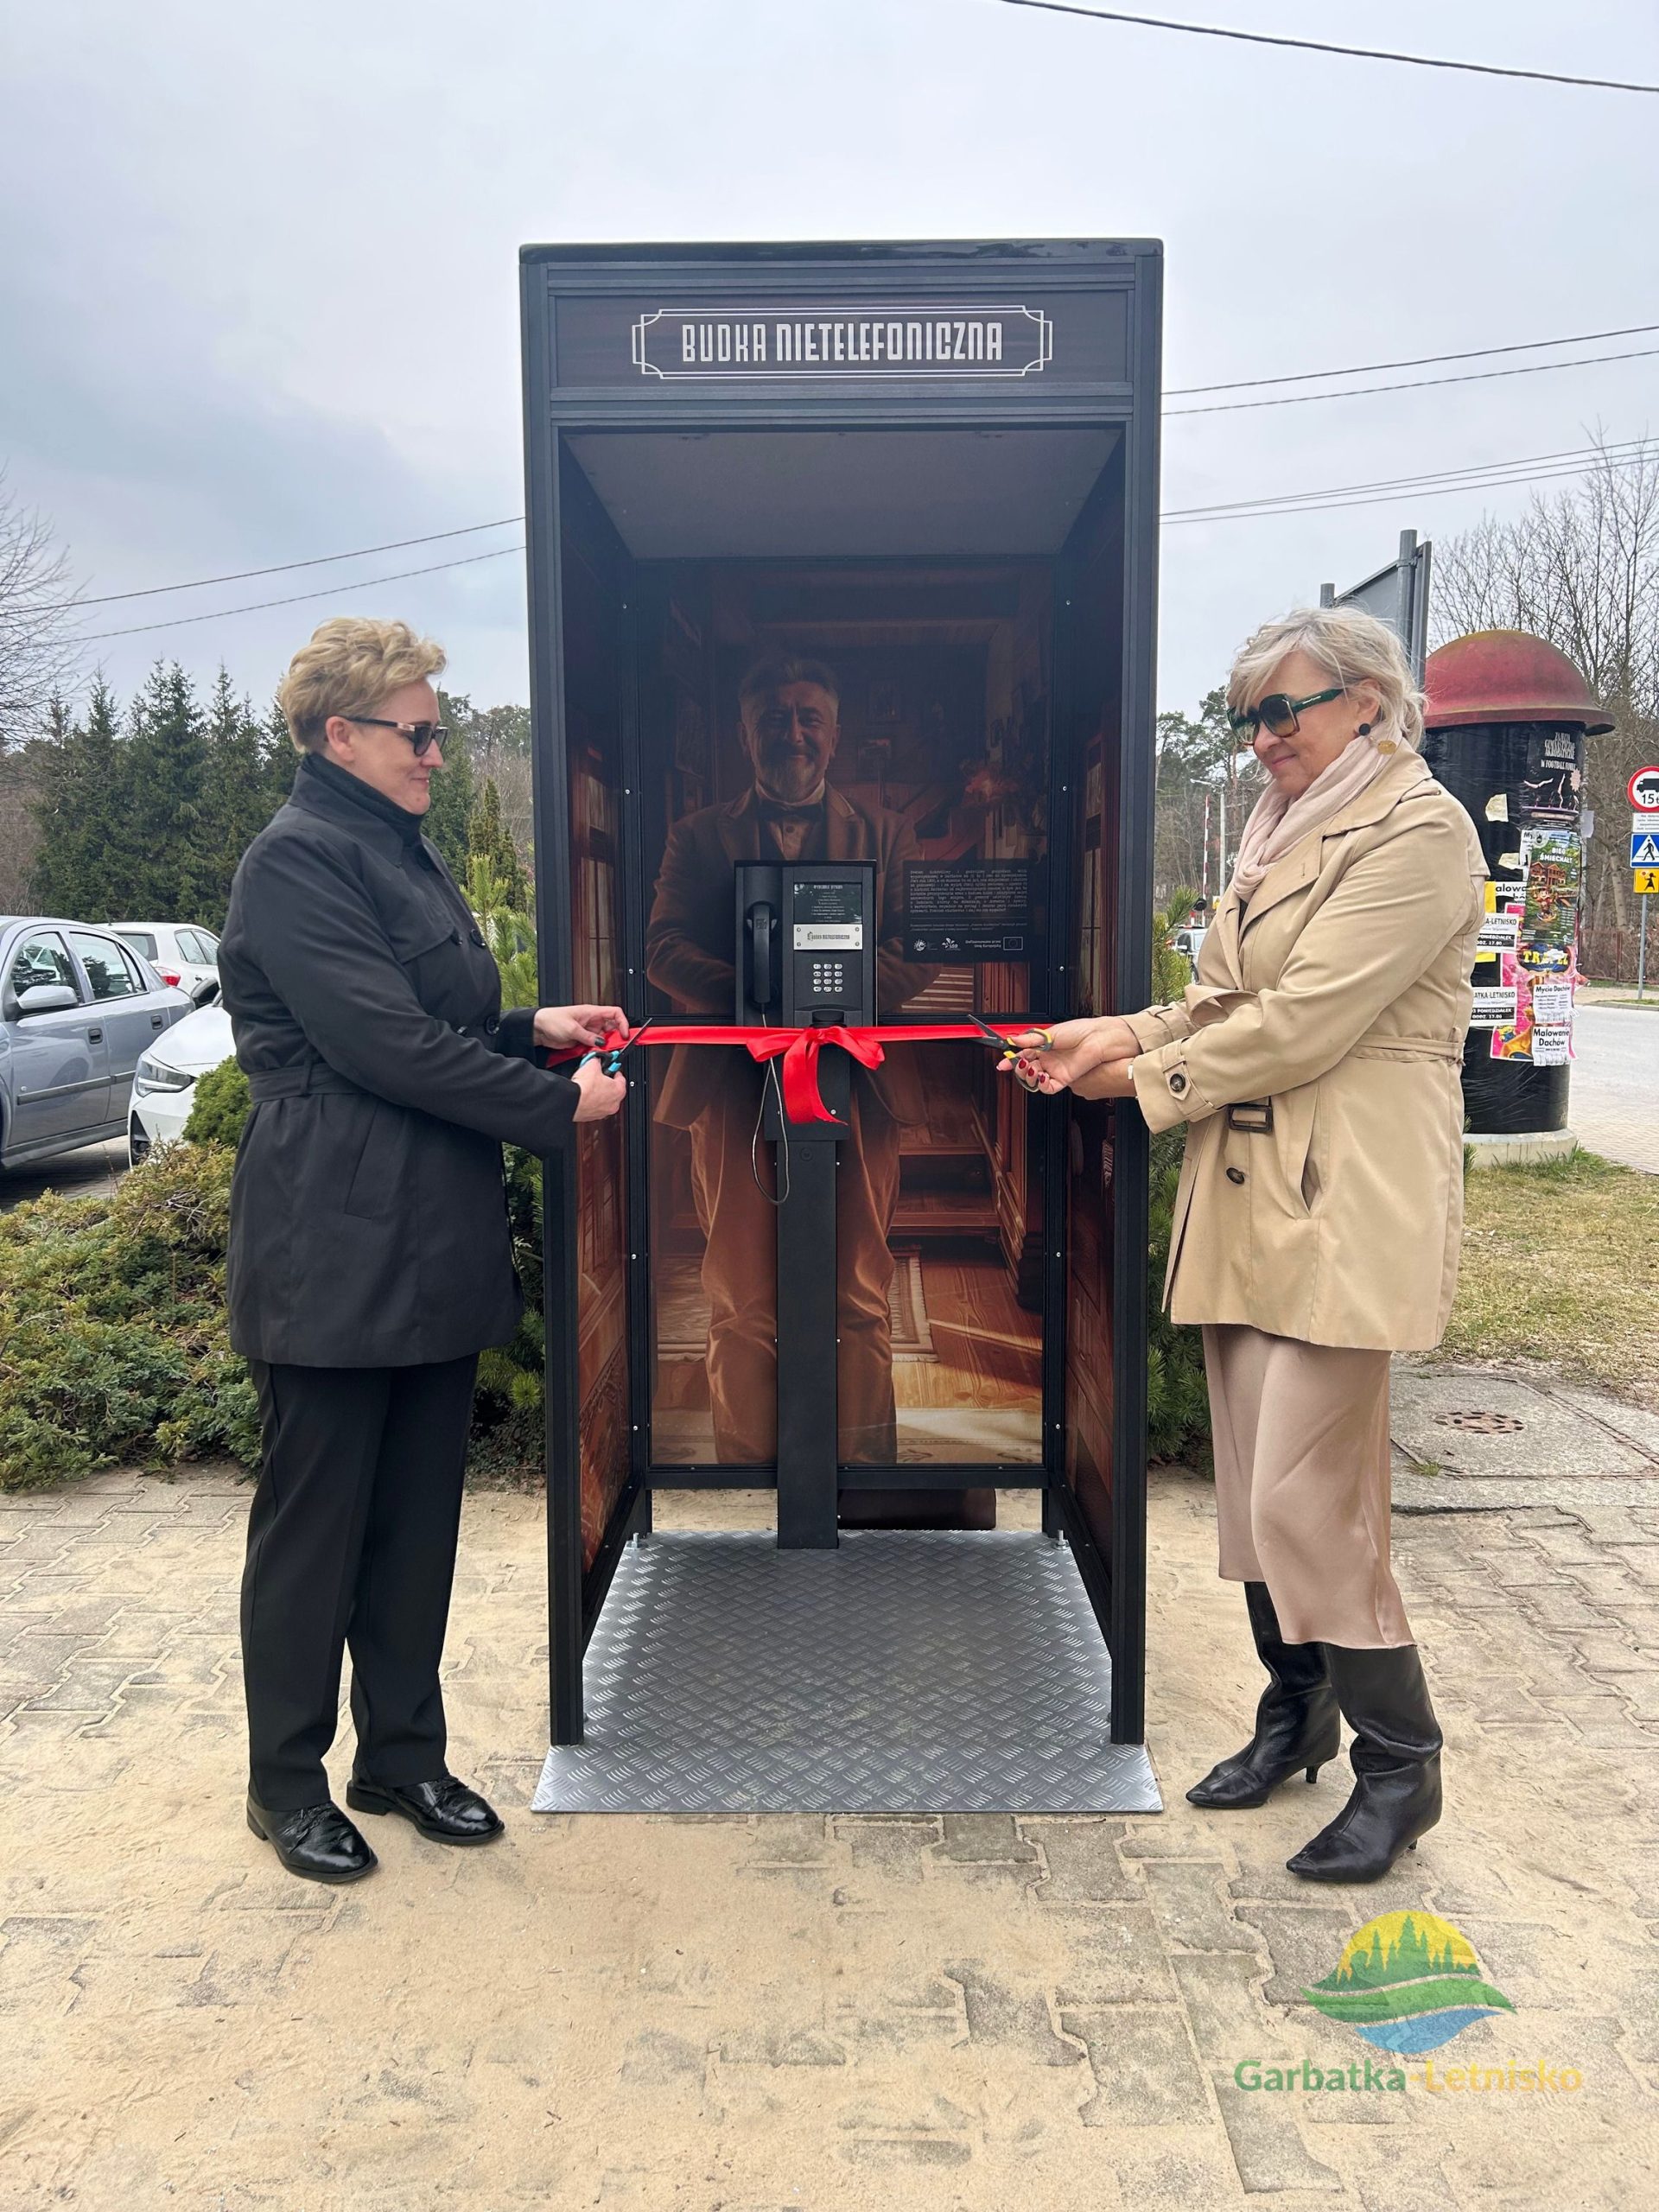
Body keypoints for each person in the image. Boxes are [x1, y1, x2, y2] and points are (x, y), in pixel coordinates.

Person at [1010, 606, 1484, 1882]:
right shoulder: (1282, 829)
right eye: (1248, 716)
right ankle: (1299, 1711)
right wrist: (1112, 1033)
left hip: (1344, 1194)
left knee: (1307, 1498)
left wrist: (1138, 1081)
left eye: (1284, 708)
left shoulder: (1418, 830)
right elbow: (1225, 999)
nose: (1262, 736)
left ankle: (1403, 1765)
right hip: (1252, 1187)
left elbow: (1304, 1022)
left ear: (1368, 700)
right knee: (1250, 1496)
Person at [219, 617, 626, 1885]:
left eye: (438, 732)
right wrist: (558, 1105)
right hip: (332, 1242)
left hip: (430, 1233)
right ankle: (286, 1783)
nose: (438, 754)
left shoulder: (399, 850)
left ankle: (400, 1755)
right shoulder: (296, 860)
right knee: (316, 1529)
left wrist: (531, 1028)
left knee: (414, 1525)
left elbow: (434, 1023)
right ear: (339, 734)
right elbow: (381, 1046)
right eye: (420, 732)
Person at [645, 653, 988, 1528]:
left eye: (808, 718)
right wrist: (762, 995)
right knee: (740, 1295)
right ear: (745, 733)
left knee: (859, 1291)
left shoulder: (887, 831)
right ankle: (747, 1487)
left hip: (858, 1086)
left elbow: (917, 944)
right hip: (730, 1088)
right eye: (774, 718)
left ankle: (864, 1474)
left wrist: (830, 997)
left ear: (834, 733)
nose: (792, 733)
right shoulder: (697, 835)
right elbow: (662, 950)